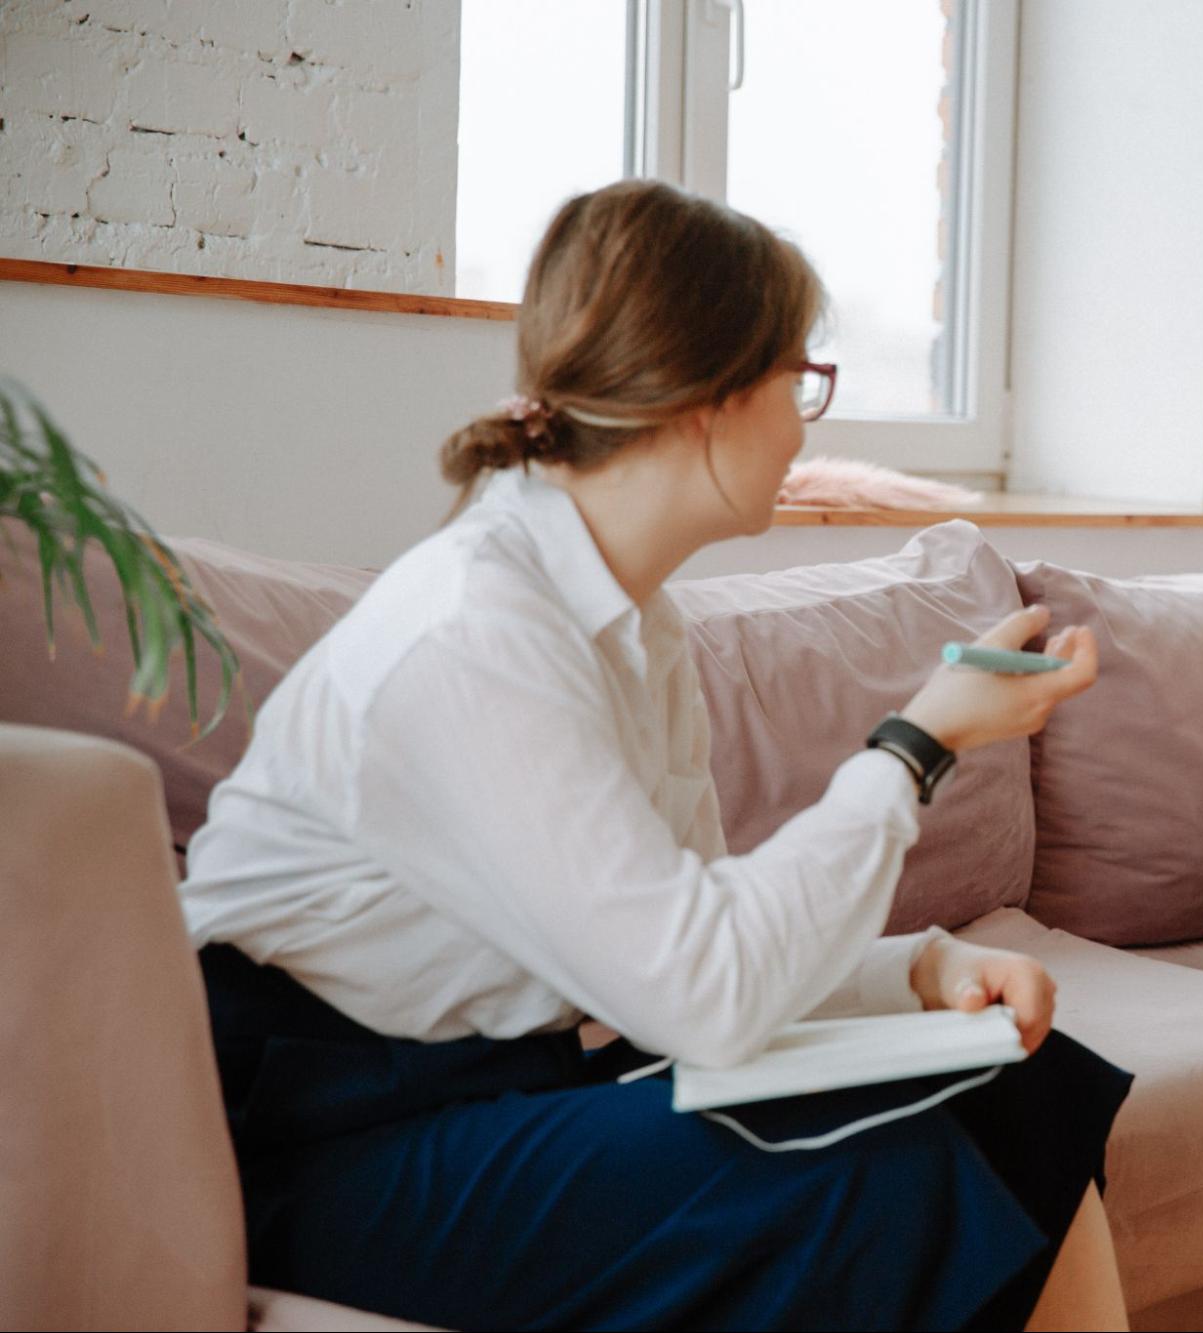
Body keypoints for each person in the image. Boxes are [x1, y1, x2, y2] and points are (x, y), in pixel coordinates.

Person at [178, 179, 1130, 1332]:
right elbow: (705, 997)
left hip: (494, 1089)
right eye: (803, 380)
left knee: (1024, 1084)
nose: (805, 420)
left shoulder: (637, 624)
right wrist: (917, 743)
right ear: (707, 398)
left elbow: (696, 932)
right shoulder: (477, 630)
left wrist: (917, 972)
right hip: (313, 1145)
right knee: (864, 1175)